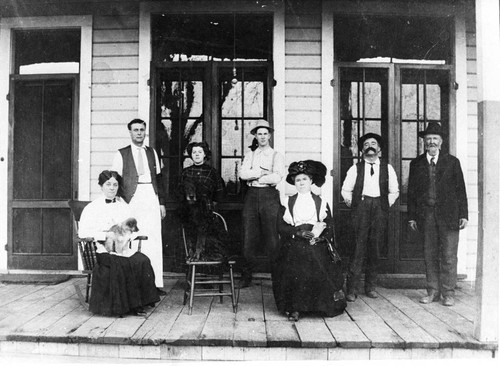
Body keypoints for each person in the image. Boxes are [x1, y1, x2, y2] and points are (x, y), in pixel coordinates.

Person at [79, 170, 160, 316]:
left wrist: (128, 237)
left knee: (142, 260)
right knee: (120, 264)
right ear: (101, 186)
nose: (112, 188)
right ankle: (123, 306)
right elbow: (83, 233)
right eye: (108, 184)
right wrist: (105, 234)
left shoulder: (123, 206)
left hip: (122, 248)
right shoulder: (92, 208)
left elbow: (132, 228)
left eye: (115, 185)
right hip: (101, 249)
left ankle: (138, 303)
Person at [272, 160, 346, 321]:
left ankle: (319, 306)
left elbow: (330, 224)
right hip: (295, 241)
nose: (301, 183)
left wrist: (321, 236)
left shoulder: (321, 202)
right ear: (293, 183)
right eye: (297, 180)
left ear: (311, 181)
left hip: (316, 241)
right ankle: (295, 308)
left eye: (304, 179)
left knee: (318, 258)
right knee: (296, 261)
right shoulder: (287, 202)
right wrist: (298, 233)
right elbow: (280, 226)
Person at [408, 122, 468, 307]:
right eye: (428, 139)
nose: (431, 142)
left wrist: (464, 214)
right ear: (424, 142)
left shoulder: (452, 162)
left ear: (441, 142)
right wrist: (412, 216)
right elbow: (411, 192)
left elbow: (461, 190)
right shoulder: (416, 163)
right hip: (426, 215)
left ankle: (448, 293)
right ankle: (432, 291)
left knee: (449, 255)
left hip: (449, 215)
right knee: (430, 254)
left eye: (435, 138)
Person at [341, 133, 399, 302]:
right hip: (361, 207)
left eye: (373, 143)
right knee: (358, 248)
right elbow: (345, 190)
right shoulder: (355, 168)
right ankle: (351, 288)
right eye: (366, 144)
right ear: (362, 149)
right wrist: (355, 204)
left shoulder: (388, 168)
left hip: (379, 208)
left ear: (379, 149)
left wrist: (383, 204)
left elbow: (394, 191)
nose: (370, 146)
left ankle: (371, 286)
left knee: (375, 247)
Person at [111, 118, 166, 295]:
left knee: (153, 238)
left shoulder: (152, 152)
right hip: (131, 199)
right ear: (130, 132)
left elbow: (159, 179)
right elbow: (115, 181)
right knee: (132, 237)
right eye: (135, 130)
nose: (139, 133)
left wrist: (161, 203)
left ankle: (155, 283)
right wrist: (121, 204)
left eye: (142, 130)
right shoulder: (121, 154)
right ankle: (133, 283)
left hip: (151, 195)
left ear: (145, 132)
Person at [239, 119, 286, 288]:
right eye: (259, 134)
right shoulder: (250, 154)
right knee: (248, 236)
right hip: (251, 195)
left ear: (270, 135)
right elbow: (243, 175)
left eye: (265, 133)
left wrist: (258, 176)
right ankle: (246, 275)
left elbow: (277, 176)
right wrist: (260, 172)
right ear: (255, 136)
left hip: (269, 196)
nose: (263, 137)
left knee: (272, 237)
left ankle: (277, 278)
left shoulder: (276, 155)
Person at [178, 142, 228, 261]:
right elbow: (179, 192)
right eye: (194, 152)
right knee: (190, 236)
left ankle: (205, 259)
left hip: (207, 212)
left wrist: (212, 208)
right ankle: (191, 258)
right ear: (190, 155)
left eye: (200, 152)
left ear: (205, 154)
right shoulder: (185, 172)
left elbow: (219, 192)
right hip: (189, 212)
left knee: (208, 238)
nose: (197, 155)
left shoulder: (212, 172)